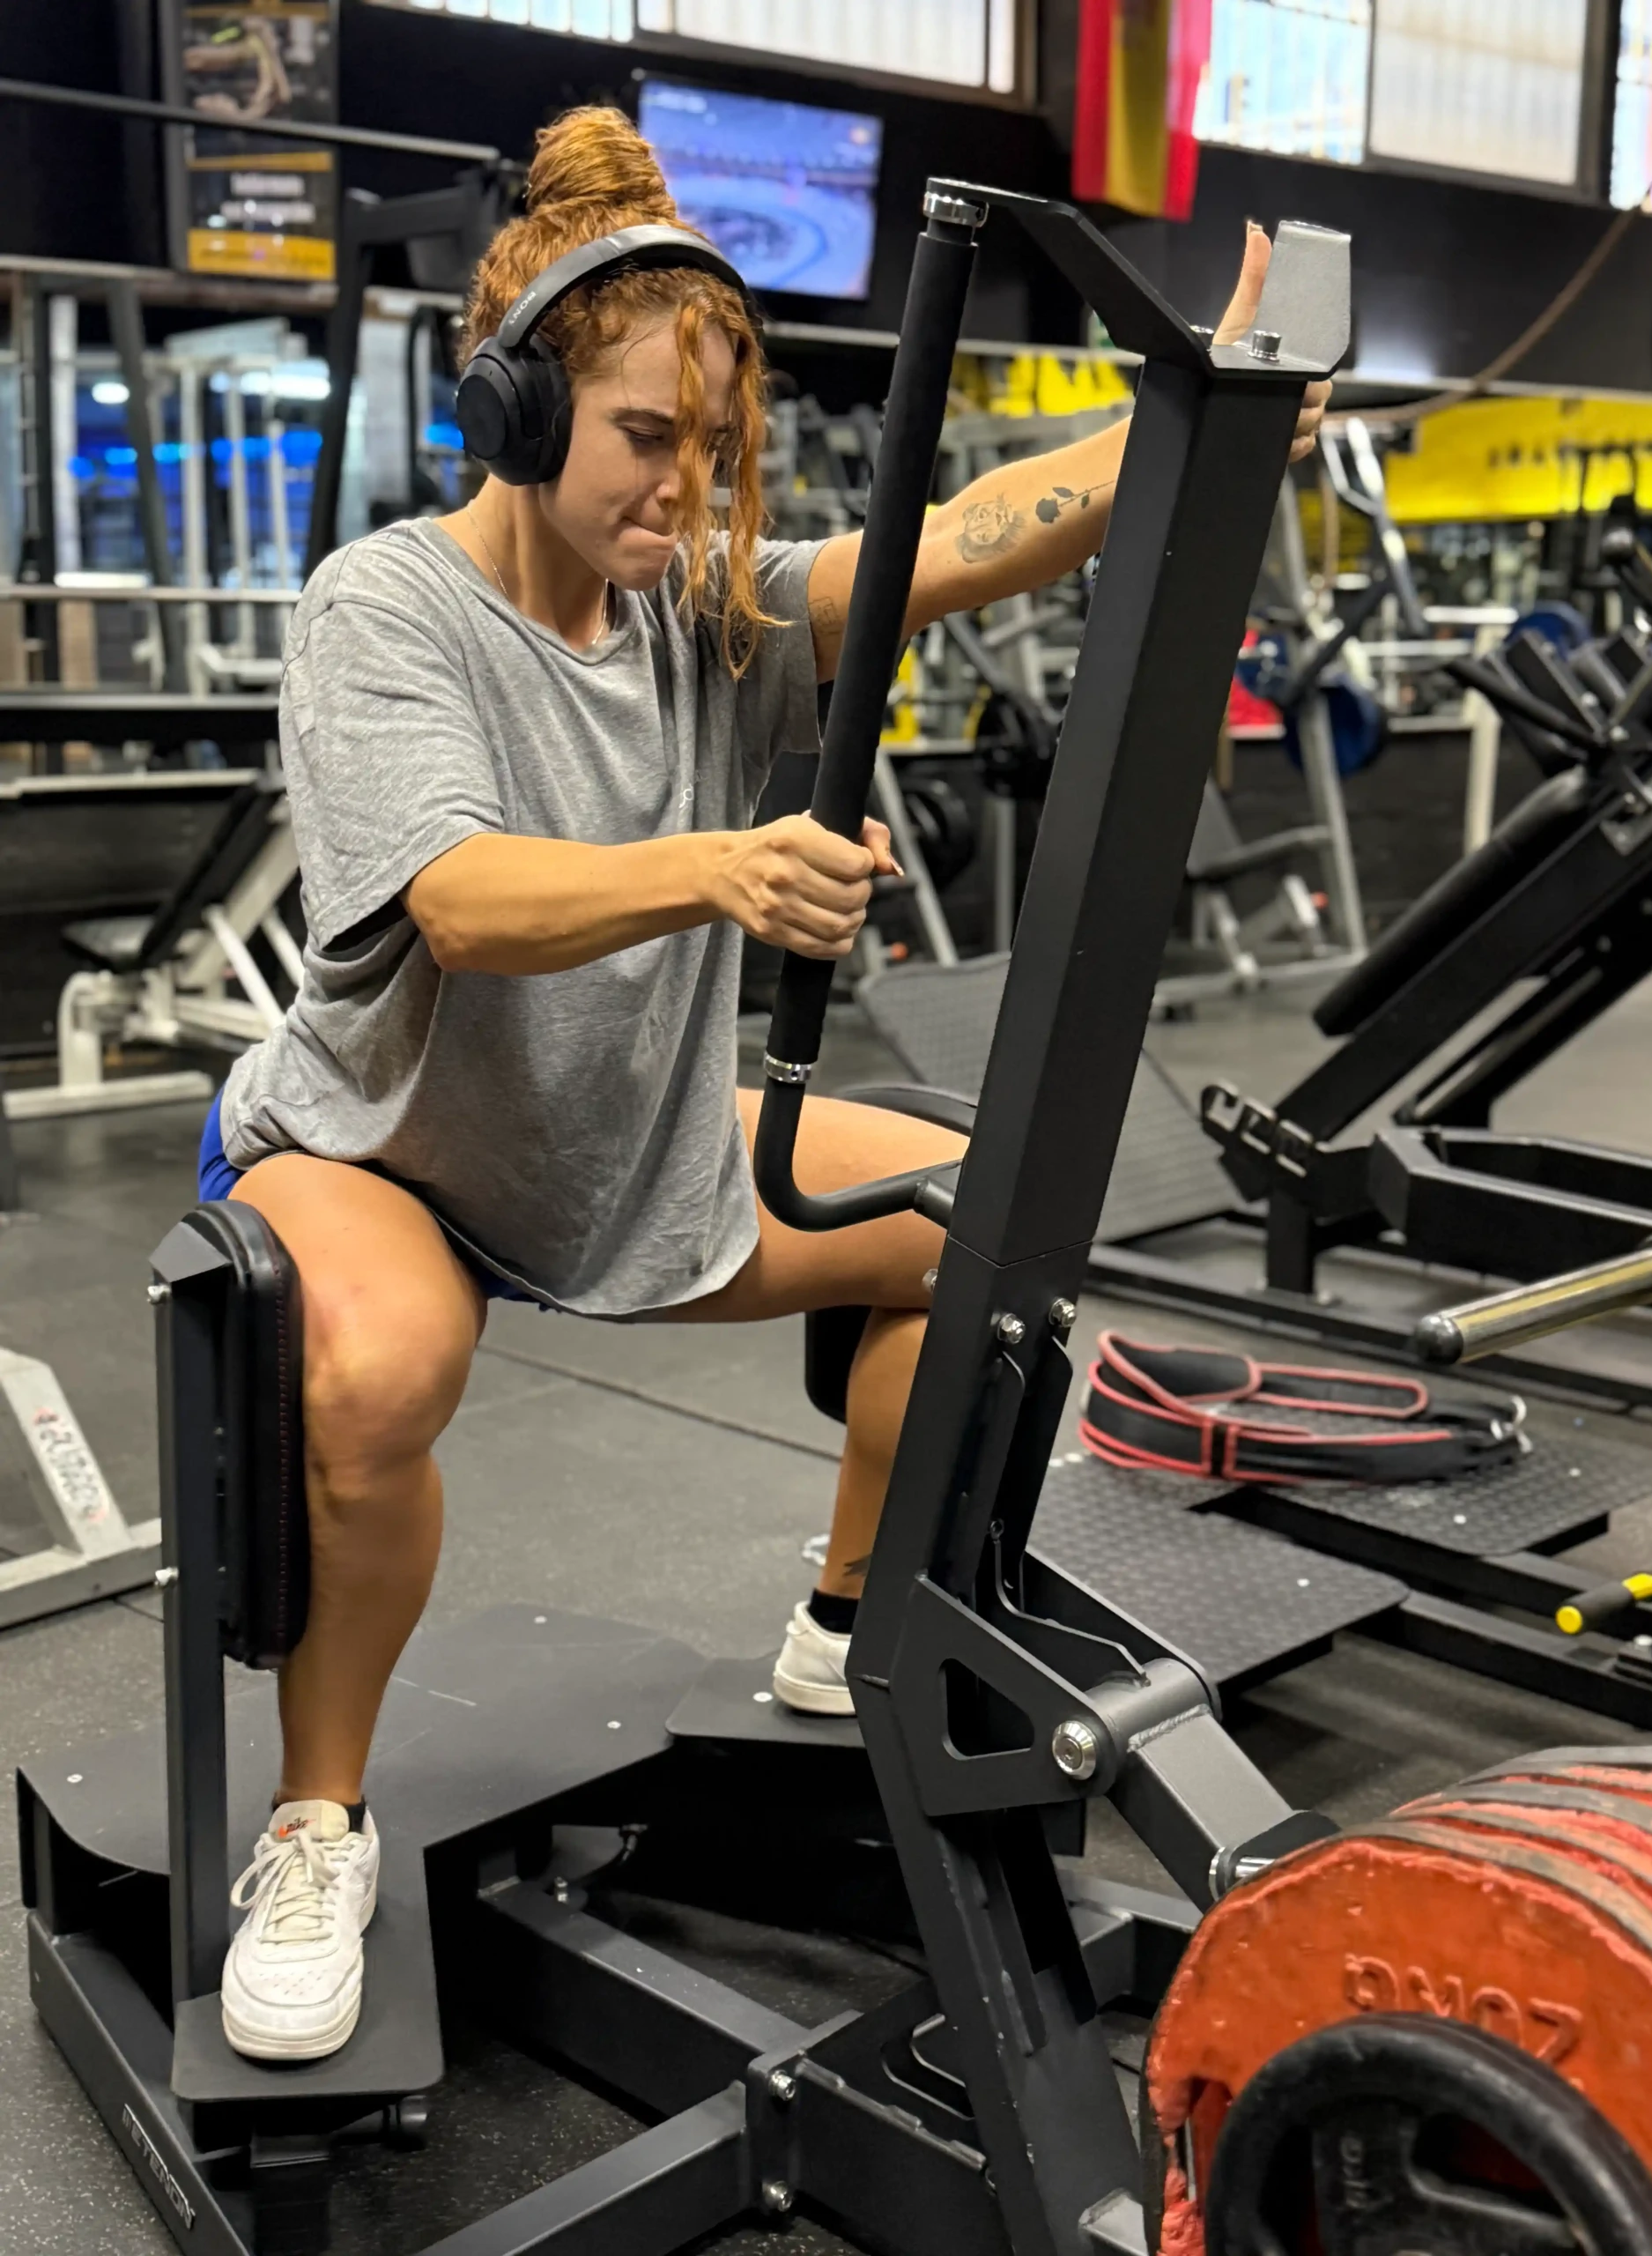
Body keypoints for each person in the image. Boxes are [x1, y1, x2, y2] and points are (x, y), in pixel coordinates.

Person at [204, 104, 1330, 2064]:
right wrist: (720, 866)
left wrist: (1203, 416)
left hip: (627, 1149)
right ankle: (316, 1817)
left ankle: (842, 1622)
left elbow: (950, 546)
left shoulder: (697, 616)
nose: (687, 489)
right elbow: (460, 901)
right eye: (652, 440)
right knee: (378, 1373)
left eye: (717, 453)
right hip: (387, 1146)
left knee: (970, 1224)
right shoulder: (383, 607)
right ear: (523, 408)